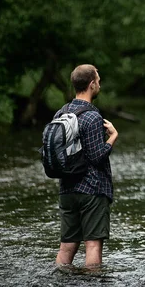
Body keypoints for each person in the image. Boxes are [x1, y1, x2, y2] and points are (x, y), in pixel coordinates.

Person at [54, 64, 118, 268]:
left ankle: (60, 281)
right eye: (98, 81)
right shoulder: (92, 117)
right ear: (91, 84)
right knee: (92, 246)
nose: (99, 84)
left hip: (66, 189)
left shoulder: (60, 113)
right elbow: (97, 157)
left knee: (66, 247)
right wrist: (113, 137)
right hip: (92, 190)